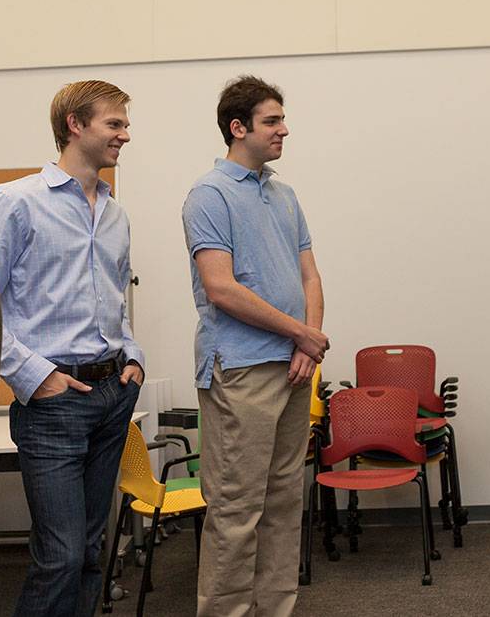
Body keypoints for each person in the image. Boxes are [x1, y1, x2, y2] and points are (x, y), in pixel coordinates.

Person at [0, 80, 145, 616]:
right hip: (54, 402)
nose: (125, 134)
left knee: (93, 553)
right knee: (60, 556)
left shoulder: (115, 214)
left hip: (112, 394)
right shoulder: (16, 202)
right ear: (75, 125)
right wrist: (34, 376)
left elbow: (114, 302)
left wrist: (133, 357)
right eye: (114, 124)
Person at [181, 75, 328, 617]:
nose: (283, 129)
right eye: (271, 121)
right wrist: (300, 334)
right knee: (237, 510)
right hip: (240, 371)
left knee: (285, 504)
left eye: (281, 119)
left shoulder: (284, 195)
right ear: (237, 128)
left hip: (293, 368)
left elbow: (309, 277)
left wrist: (307, 346)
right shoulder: (209, 195)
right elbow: (221, 289)